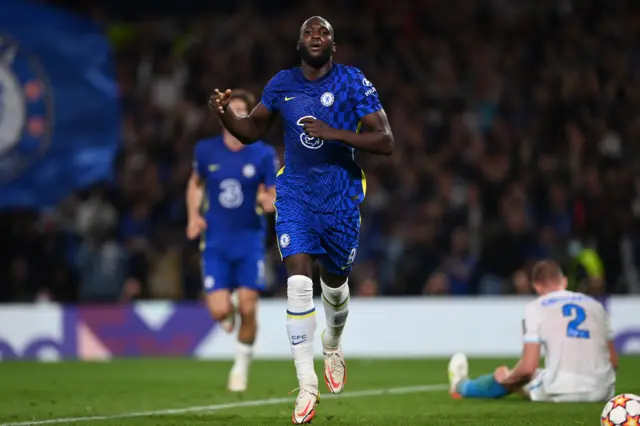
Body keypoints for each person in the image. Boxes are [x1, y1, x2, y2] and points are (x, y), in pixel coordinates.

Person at [209, 16, 394, 424]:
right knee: (297, 281)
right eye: (309, 31)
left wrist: (335, 133)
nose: (316, 35)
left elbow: (385, 140)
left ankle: (332, 342)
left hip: (341, 198)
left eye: (324, 31)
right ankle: (306, 383)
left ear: (334, 46)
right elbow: (252, 130)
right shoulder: (281, 84)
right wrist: (224, 116)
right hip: (294, 195)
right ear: (298, 45)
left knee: (335, 285)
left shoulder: (352, 81)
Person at [186, 89, 277, 393]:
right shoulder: (206, 151)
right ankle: (229, 311)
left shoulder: (262, 153)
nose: (236, 114)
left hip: (249, 240)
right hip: (215, 241)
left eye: (242, 111)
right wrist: (193, 216)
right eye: (231, 109)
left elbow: (271, 191)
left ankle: (240, 367)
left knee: (249, 308)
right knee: (220, 311)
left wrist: (268, 200)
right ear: (222, 115)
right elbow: (195, 185)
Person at [448, 260, 618, 403]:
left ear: (536, 286)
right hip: (603, 392)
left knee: (508, 375)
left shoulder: (536, 308)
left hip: (563, 391)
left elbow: (528, 368)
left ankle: (460, 386)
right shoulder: (595, 306)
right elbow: (613, 361)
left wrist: (507, 378)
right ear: (564, 281)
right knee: (541, 374)